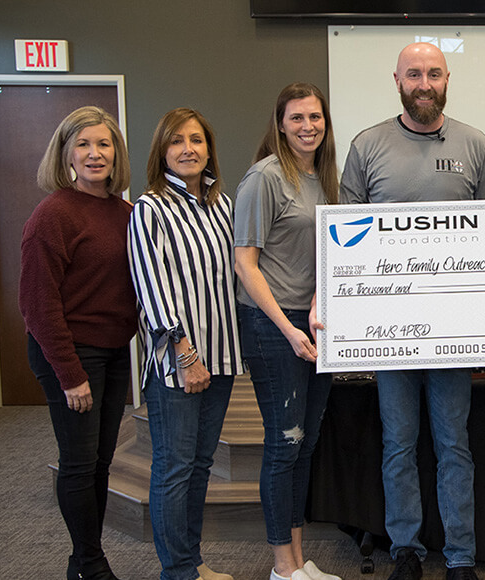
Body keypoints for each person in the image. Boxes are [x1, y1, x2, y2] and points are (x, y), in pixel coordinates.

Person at [339, 41, 485, 580]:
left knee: (455, 444)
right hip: (390, 333)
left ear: (447, 78)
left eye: (433, 73)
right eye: (414, 74)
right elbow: (343, 241)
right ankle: (404, 550)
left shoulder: (475, 144)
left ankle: (460, 557)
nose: (424, 83)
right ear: (397, 80)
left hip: (455, 331)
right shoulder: (367, 146)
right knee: (398, 443)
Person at [19, 105, 137, 580]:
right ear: (67, 154)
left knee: (101, 461)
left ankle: (81, 561)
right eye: (84, 145)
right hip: (67, 352)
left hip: (112, 351)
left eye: (104, 144)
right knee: (78, 462)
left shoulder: (127, 212)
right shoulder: (53, 214)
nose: (95, 154)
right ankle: (90, 561)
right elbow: (37, 304)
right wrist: (70, 374)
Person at [129, 108, 243, 580]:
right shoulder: (149, 208)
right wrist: (184, 353)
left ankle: (192, 564)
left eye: (196, 139)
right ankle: (177, 571)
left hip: (220, 357)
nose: (188, 149)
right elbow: (151, 287)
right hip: (180, 360)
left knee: (199, 466)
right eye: (176, 141)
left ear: (209, 147)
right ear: (162, 151)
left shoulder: (224, 205)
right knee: (174, 468)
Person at [234, 83, 342, 580]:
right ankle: (281, 566)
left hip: (313, 321)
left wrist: (316, 310)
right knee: (284, 443)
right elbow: (245, 264)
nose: (307, 126)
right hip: (273, 325)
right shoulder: (265, 178)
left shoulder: (321, 177)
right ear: (280, 123)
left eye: (315, 117)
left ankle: (299, 563)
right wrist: (288, 328)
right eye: (296, 118)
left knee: (306, 442)